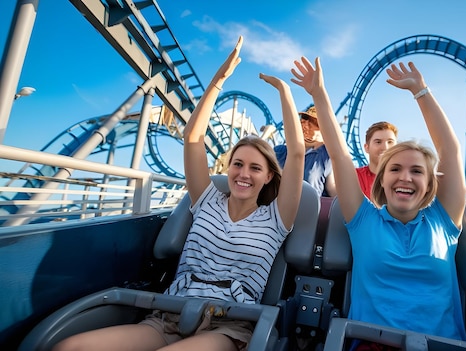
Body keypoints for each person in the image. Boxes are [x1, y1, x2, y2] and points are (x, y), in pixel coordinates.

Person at [53, 36, 305, 351]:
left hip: (228, 324)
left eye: (255, 168)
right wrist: (219, 80)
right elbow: (193, 138)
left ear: (269, 176)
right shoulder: (207, 200)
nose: (243, 173)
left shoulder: (276, 218)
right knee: (69, 347)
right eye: (237, 164)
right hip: (171, 314)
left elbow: (296, 154)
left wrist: (285, 92)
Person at [290, 57, 466, 341]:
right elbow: (339, 153)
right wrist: (318, 94)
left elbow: (451, 150)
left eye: (417, 171)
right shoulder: (364, 220)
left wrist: (421, 91)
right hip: (373, 344)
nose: (405, 177)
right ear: (381, 181)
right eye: (395, 169)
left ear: (430, 182)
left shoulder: (443, 221)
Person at [274, 105, 337, 197]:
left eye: (314, 121)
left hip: (308, 208)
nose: (305, 123)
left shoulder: (329, 156)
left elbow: (332, 189)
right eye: (305, 118)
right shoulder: (279, 151)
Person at [356, 121, 398, 199]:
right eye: (378, 142)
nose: (385, 148)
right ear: (366, 148)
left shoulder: (404, 177)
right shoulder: (354, 176)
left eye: (390, 142)